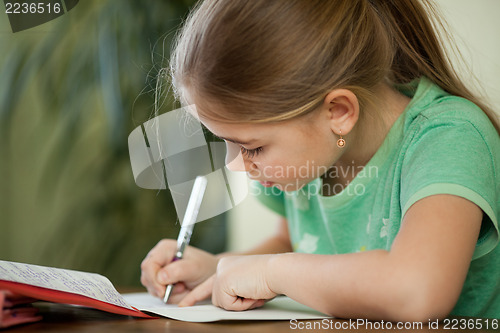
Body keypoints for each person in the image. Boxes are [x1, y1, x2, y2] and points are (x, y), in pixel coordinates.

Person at [140, 0, 500, 321]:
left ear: (338, 112)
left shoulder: (447, 137)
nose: (237, 165)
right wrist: (216, 269)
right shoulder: (314, 156)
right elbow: (297, 244)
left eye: (253, 148)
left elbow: (417, 291)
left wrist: (270, 273)